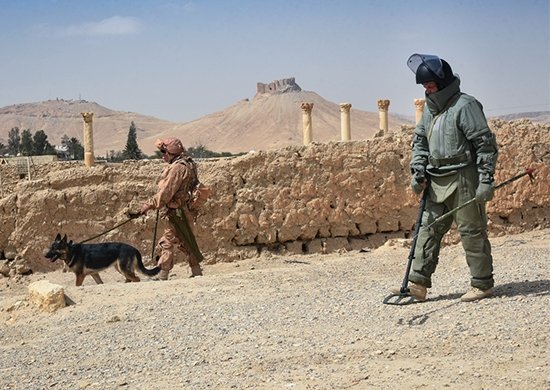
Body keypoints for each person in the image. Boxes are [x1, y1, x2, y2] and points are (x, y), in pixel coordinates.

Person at [393, 53, 498, 302]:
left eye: (430, 85)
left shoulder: (465, 105)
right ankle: (417, 283)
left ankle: (482, 283)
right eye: (424, 86)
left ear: (443, 82)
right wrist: (418, 172)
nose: (427, 89)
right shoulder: (430, 111)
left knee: (471, 231)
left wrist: (485, 180)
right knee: (427, 230)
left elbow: (485, 146)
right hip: (435, 179)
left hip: (464, 177)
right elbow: (420, 143)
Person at [140, 138, 204, 280]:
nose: (162, 155)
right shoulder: (188, 163)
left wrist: (149, 205)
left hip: (178, 211)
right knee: (187, 240)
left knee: (167, 242)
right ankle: (196, 271)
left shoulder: (177, 168)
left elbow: (166, 193)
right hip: (185, 209)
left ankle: (162, 274)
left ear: (171, 153)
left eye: (164, 152)